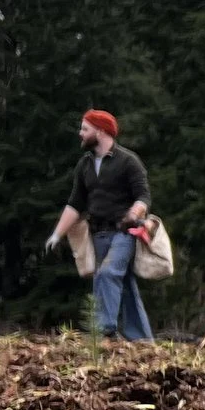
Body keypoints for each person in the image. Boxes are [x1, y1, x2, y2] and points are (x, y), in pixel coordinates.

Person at [45, 110, 156, 343]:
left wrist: (134, 213)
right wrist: (57, 234)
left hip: (124, 233)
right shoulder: (84, 165)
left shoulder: (128, 161)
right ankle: (143, 339)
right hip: (98, 234)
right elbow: (75, 204)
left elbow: (143, 197)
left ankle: (104, 331)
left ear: (101, 131)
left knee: (107, 274)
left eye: (85, 129)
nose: (80, 134)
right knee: (121, 283)